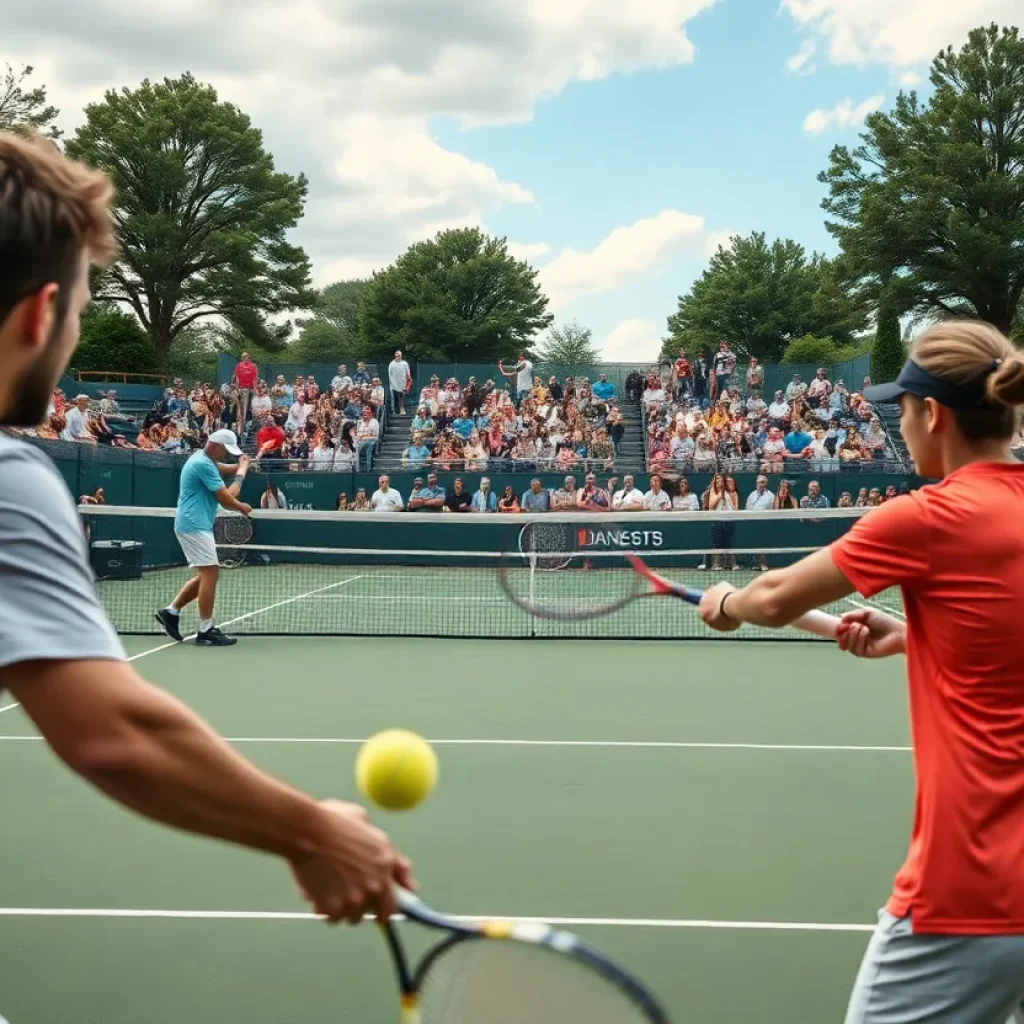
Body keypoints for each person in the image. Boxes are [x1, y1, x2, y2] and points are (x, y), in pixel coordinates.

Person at [0, 130, 412, 965]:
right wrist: (314, 833)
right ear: (42, 314)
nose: (74, 334)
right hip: (195, 525)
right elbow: (116, 735)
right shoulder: (13, 480)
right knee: (209, 568)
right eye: (79, 315)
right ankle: (197, 616)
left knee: (206, 570)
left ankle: (185, 610)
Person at [697, 320, 1024, 1023]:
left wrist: (727, 603)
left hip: (973, 892)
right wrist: (917, 638)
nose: (900, 426)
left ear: (931, 415)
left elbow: (779, 596)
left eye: (901, 411)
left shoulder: (926, 517)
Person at [153, 429, 252, 646]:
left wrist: (241, 464)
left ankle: (171, 612)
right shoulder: (202, 464)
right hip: (193, 525)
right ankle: (205, 630)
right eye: (227, 450)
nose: (228, 455)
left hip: (195, 525)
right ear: (216, 446)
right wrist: (242, 489)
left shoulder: (202, 458)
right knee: (211, 573)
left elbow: (225, 468)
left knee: (206, 574)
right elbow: (228, 499)